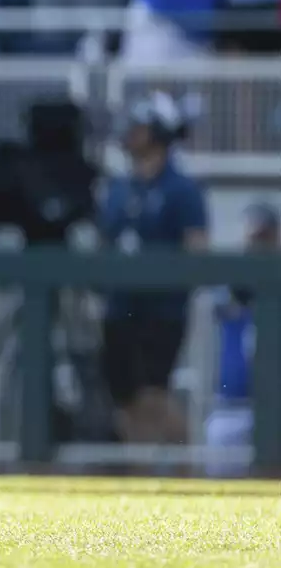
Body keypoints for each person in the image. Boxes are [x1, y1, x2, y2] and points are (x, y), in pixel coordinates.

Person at [98, 90, 207, 446]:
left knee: (154, 395)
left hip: (162, 308)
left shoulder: (182, 188)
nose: (131, 134)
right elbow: (104, 242)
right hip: (120, 305)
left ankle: (188, 470)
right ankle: (137, 474)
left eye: (140, 127)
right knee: (125, 400)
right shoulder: (119, 186)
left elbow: (197, 249)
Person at [204, 202, 277, 478]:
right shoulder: (231, 284)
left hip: (275, 407)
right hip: (232, 407)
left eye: (265, 238)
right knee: (218, 439)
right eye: (254, 238)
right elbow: (225, 300)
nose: (258, 246)